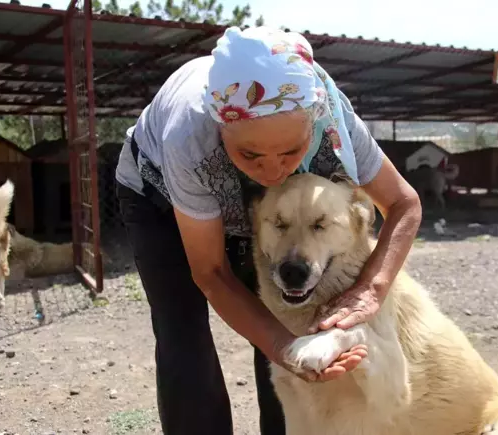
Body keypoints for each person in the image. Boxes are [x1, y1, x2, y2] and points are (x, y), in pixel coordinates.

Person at [115, 25, 422, 435]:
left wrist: (372, 288)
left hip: (271, 214)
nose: (275, 171)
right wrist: (283, 348)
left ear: (314, 128)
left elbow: (403, 204)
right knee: (183, 332)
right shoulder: (188, 139)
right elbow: (211, 273)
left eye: (292, 152)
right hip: (158, 197)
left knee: (290, 319)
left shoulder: (335, 121)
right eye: (250, 153)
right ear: (220, 128)